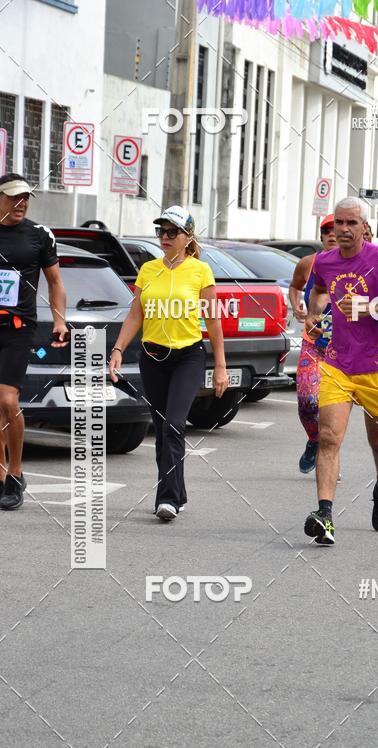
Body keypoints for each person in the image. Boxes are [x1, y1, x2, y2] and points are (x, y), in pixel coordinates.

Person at [302, 197, 378, 545]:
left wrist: (370, 306)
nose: (344, 229)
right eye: (339, 223)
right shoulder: (324, 261)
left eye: (352, 223)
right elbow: (320, 291)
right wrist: (314, 312)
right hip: (337, 363)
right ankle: (325, 515)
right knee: (328, 437)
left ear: (366, 227)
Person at [109, 206, 228, 520]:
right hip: (152, 357)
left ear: (188, 238)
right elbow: (137, 313)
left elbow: (213, 320)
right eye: (161, 231)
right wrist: (119, 348)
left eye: (172, 232)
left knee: (175, 424)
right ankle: (178, 491)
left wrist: (220, 366)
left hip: (188, 356)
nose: (165, 237)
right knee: (162, 428)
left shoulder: (200, 271)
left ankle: (168, 499)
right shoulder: (148, 269)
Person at [0, 173, 68, 511]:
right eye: (14, 197)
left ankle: (16, 472)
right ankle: (1, 476)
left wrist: (59, 319)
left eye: (25, 197)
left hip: (17, 328)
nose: (21, 203)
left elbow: (55, 282)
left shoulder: (40, 236)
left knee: (7, 399)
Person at [288, 215, 337, 473]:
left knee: (333, 410)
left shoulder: (356, 266)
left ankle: (330, 461)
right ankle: (314, 440)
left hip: (344, 349)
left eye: (335, 229)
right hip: (313, 343)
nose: (331, 234)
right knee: (307, 402)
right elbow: (295, 287)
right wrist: (296, 303)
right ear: (321, 236)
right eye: (326, 230)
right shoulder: (308, 263)